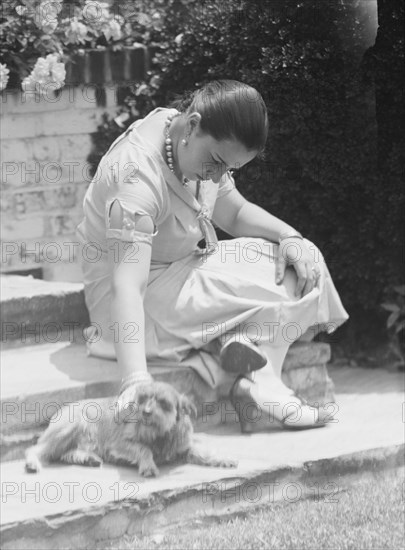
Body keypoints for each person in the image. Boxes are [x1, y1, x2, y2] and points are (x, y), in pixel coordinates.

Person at [76, 79, 349, 431]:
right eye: (217, 162)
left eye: (229, 169)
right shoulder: (135, 177)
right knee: (279, 292)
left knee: (304, 263)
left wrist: (290, 236)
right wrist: (135, 381)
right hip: (138, 301)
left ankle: (248, 359)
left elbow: (233, 213)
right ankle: (260, 374)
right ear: (192, 125)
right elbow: (128, 287)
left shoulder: (187, 139)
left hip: (187, 271)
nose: (217, 176)